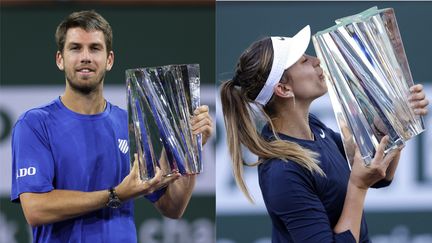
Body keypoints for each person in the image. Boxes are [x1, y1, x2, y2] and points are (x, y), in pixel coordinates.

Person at [11, 10, 213, 243]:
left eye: (95, 48)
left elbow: (172, 207)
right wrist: (115, 195)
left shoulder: (126, 123)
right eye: (75, 48)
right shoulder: (34, 124)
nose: (85, 57)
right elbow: (36, 209)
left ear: (109, 60)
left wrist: (188, 146)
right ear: (60, 59)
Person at [220, 25, 428, 243]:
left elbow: (379, 174)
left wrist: (393, 121)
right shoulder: (282, 172)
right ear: (283, 89)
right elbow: (363, 179)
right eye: (303, 61)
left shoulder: (314, 127)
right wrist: (357, 187)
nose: (316, 60)